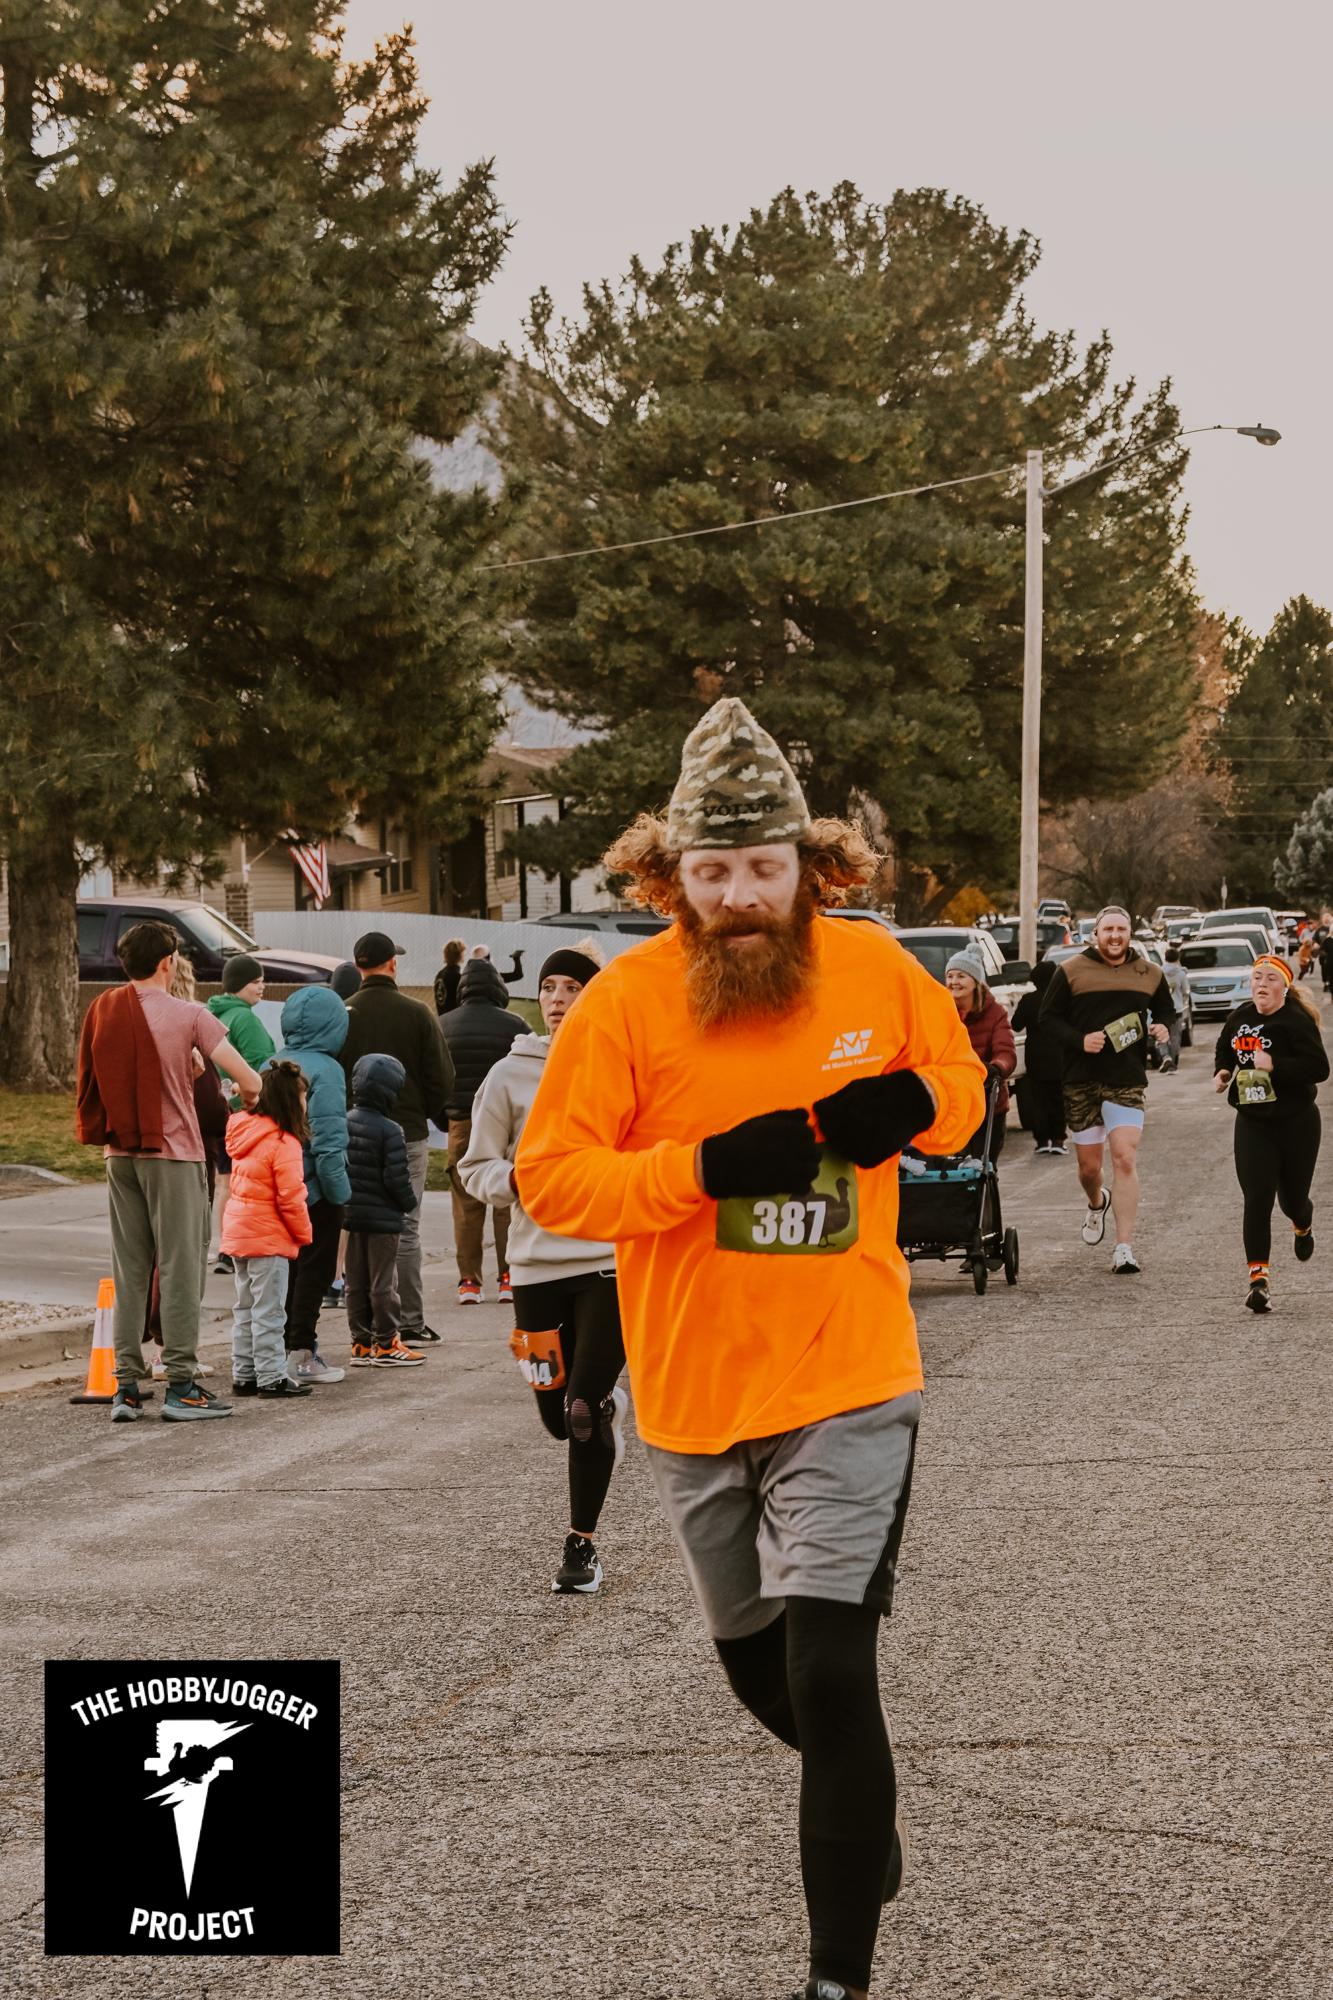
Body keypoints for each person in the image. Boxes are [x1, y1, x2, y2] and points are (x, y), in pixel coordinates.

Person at [517, 697, 985, 2000]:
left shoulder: (876, 970)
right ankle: (862, 1815)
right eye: (711, 871)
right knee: (757, 1668)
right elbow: (551, 1178)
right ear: (670, 876)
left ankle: (838, 1975)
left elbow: (960, 1090)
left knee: (832, 1669)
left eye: (761, 867)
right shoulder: (625, 1002)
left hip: (851, 1374)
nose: (737, 896)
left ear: (807, 866)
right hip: (694, 1390)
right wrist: (702, 1168)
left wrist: (913, 1100)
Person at [460, 942, 627, 1594]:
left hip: (608, 1261)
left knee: (582, 1410)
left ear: (595, 998)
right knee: (555, 1415)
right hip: (531, 1267)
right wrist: (521, 1181)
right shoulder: (509, 1075)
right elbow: (474, 1168)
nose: (558, 999)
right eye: (550, 987)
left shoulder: (621, 1068)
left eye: (573, 988)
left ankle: (581, 1546)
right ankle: (598, 1404)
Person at [76, 921, 264, 1423]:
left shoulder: (102, 1009)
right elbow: (248, 1078)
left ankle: (126, 1387)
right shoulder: (189, 1014)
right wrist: (247, 1098)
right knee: (180, 1266)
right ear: (168, 962)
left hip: (119, 1153)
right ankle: (181, 1384)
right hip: (174, 1153)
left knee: (130, 1268)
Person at [1039, 904, 1176, 1275]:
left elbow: (1166, 1011)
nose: (1115, 936)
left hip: (1126, 1078)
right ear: (1095, 935)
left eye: (1121, 929)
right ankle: (1097, 1201)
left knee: (1125, 1157)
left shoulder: (1149, 972)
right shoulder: (1070, 970)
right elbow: (1047, 1018)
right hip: (1080, 1079)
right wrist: (1080, 1040)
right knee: (1089, 1168)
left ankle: (1124, 1248)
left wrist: (1163, 1027)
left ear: (1129, 934)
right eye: (1108, 930)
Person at [340, 931, 454, 1345]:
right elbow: (441, 1076)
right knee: (405, 1228)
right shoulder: (416, 1012)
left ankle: (367, 1324)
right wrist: (421, 1110)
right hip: (406, 1131)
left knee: (360, 1228)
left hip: (353, 1133)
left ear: (358, 967)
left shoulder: (344, 1014)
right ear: (392, 963)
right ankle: (408, 1320)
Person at [1212, 953, 1328, 1313]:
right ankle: (1258, 1281)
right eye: (1257, 977)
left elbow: (1319, 1068)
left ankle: (1302, 1223)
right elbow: (1225, 1047)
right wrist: (1223, 1071)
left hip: (1297, 1123)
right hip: (1253, 1122)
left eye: (1270, 978)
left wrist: (1275, 1065)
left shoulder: (1296, 1020)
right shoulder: (1240, 1017)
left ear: (1285, 987)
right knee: (1257, 1197)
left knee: (1292, 1200)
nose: (1262, 984)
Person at [143, 954, 228, 1380]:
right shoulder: (192, 1028)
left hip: (137, 1147)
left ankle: (145, 1349)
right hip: (186, 1150)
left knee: (147, 1251)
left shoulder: (135, 1023)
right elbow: (210, 1108)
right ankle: (171, 1349)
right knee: (182, 1252)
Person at [221, 1060, 315, 1400]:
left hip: (240, 1231)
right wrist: (303, 1233)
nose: (305, 1104)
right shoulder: (283, 1142)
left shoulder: (244, 1132)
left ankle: (244, 1372)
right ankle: (272, 1376)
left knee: (245, 1308)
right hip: (269, 1237)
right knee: (270, 1312)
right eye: (303, 1097)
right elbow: (291, 1197)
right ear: (290, 1101)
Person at [272, 985, 352, 1385]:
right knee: (314, 1271)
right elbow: (329, 1141)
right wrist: (341, 1195)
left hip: (276, 1185)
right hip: (316, 1190)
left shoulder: (272, 1062)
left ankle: (272, 1351)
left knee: (281, 1274)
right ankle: (302, 1352)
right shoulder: (328, 1070)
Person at [440, 955, 526, 1304]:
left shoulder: (443, 1025)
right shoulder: (515, 1025)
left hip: (460, 1121)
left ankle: (469, 1283)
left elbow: (434, 1077)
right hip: (507, 1123)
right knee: (506, 1199)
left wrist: (444, 1117)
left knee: (466, 1203)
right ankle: (509, 1277)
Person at [344, 1053, 424, 1367]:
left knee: (355, 1281)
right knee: (383, 1283)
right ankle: (387, 1342)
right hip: (385, 1219)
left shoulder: (345, 1121)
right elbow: (396, 1178)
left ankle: (361, 1343)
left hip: (352, 1215)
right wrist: (408, 1203)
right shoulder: (391, 1130)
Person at [208, 954, 276, 1275]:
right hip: (241, 1111)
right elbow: (261, 1064)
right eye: (255, 981)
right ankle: (237, 1247)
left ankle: (224, 1248)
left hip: (216, 1110)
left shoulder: (213, 1013)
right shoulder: (245, 1019)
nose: (261, 987)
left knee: (223, 1180)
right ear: (238, 984)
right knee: (240, 1182)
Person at [943, 947, 1016, 1160]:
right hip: (952, 1099)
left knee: (983, 1163)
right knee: (952, 1165)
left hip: (987, 1100)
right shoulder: (941, 1010)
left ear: (976, 981)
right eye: (950, 976)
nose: (954, 982)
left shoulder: (995, 1013)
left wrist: (996, 1068)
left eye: (961, 976)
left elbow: (1006, 1051)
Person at [1010, 957, 1067, 1154]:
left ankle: (1042, 1141)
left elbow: (1016, 1025)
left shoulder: (1028, 1001)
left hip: (1035, 1057)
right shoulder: (1061, 1000)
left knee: (1039, 1100)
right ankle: (1058, 1140)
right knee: (1058, 1099)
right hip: (1059, 1056)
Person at [1160, 945, 1189, 1072]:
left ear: (1165, 958)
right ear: (1177, 959)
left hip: (1161, 1010)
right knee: (1175, 1036)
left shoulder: (1158, 972)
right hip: (1177, 1009)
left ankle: (1165, 1057)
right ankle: (1172, 1061)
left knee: (1161, 1034)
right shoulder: (1181, 974)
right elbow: (1186, 991)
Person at [434, 938, 466, 1016]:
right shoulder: (457, 977)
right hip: (454, 1018)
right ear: (460, 955)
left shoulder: (439, 975)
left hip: (442, 1017)